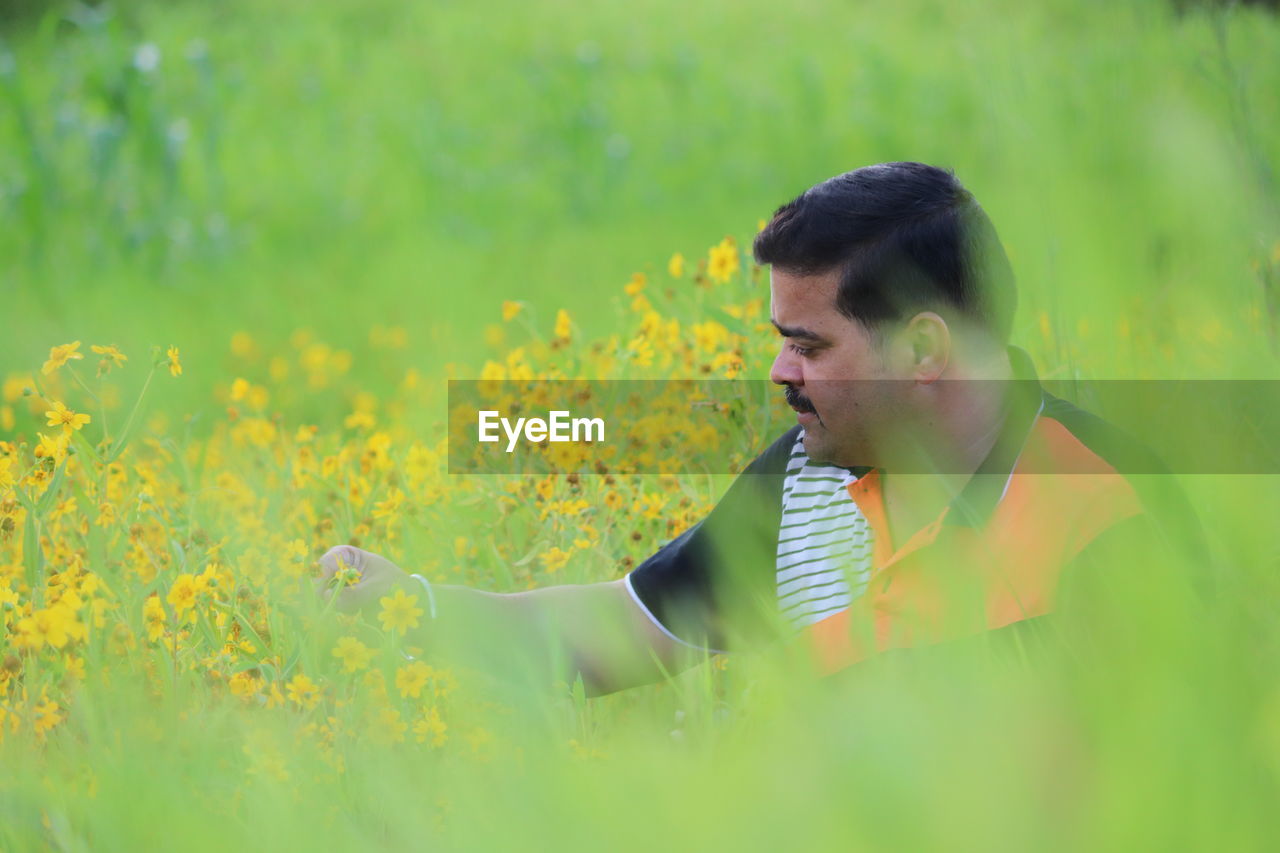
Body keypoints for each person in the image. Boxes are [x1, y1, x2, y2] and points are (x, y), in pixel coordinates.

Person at [317, 162, 1198, 696]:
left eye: (807, 345)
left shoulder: (1111, 506)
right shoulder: (806, 482)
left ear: (923, 347)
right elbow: (622, 635)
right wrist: (409, 606)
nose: (780, 373)